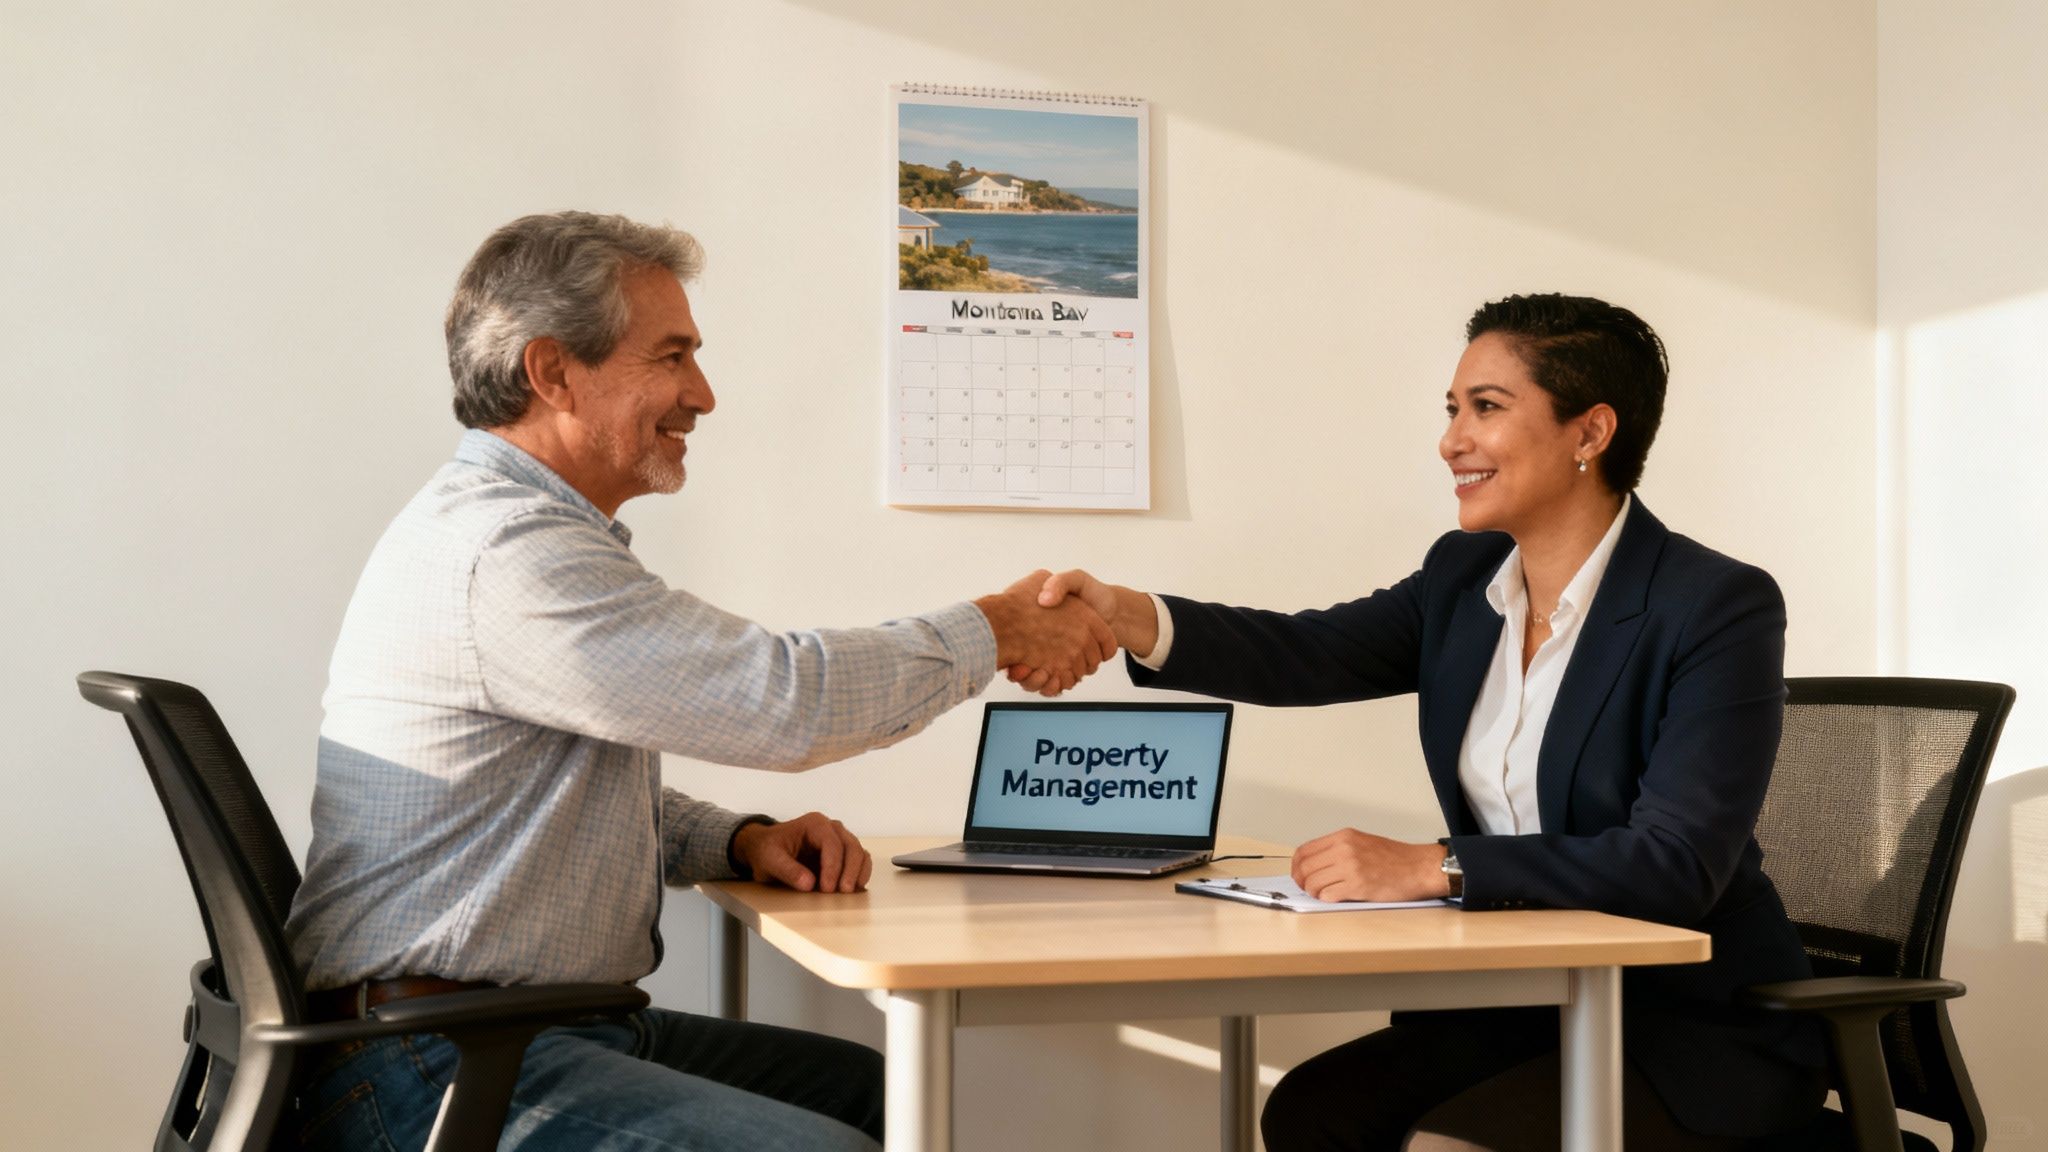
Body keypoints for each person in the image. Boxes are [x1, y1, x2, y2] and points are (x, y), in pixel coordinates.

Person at [282, 211, 1116, 1152]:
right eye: (671, 356)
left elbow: (559, 793)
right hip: (432, 1066)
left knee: (888, 1098)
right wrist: (998, 628)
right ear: (552, 371)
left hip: (511, 1029)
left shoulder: (512, 534)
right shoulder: (505, 554)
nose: (704, 394)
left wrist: (738, 839)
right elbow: (787, 702)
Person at [1026, 295, 1828, 1150]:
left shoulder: (1712, 605)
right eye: (1453, 410)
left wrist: (1434, 867)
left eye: (1486, 407)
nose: (1452, 440)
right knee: (1310, 1110)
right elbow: (1308, 651)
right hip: (1524, 1005)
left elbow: (1675, 865)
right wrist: (1127, 615)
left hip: (1687, 1033)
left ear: (1590, 434)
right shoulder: (1464, 576)